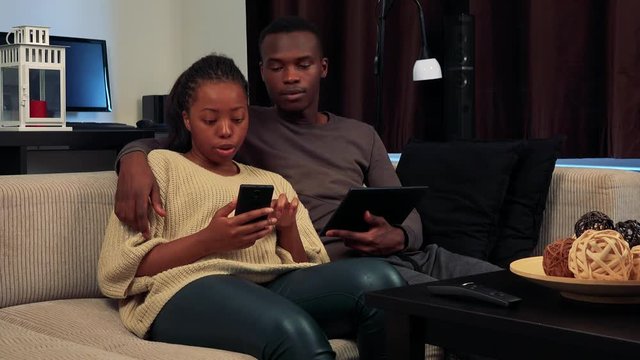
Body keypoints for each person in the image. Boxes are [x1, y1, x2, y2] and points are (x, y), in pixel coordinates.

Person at [115, 16, 500, 285]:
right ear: (262, 72)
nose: (292, 76)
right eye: (277, 67)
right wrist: (132, 159)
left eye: (303, 64)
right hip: (336, 266)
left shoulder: (361, 134)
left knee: (510, 286)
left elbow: (407, 209)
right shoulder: (243, 123)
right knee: (458, 306)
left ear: (323, 68)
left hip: (406, 253)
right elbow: (165, 139)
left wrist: (397, 236)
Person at [98, 53, 405, 360]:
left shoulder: (274, 181)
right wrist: (208, 241)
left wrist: (287, 230)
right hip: (185, 290)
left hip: (270, 287)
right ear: (187, 119)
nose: (226, 130)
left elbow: (306, 268)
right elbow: (120, 267)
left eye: (237, 118)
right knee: (292, 329)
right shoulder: (160, 167)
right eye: (210, 119)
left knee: (384, 284)